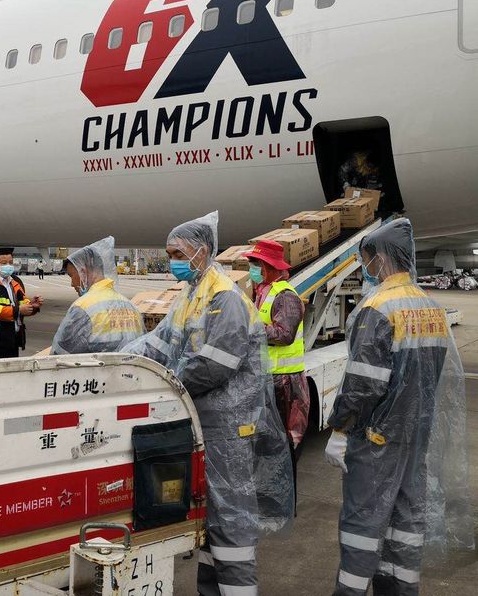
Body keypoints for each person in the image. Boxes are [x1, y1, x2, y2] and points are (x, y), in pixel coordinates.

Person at [122, 212, 293, 596]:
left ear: (201, 251)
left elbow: (213, 365)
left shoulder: (224, 297)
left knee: (231, 520)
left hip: (229, 428)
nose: (173, 262)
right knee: (210, 518)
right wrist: (122, 360)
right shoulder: (191, 295)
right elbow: (159, 342)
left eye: (177, 254)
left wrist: (168, 384)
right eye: (169, 254)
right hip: (205, 423)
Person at [324, 218, 473, 595]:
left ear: (382, 258)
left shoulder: (377, 308)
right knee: (405, 528)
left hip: (376, 442)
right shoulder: (432, 308)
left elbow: (362, 384)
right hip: (415, 438)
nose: (366, 267)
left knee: (362, 529)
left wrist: (341, 429)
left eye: (367, 259)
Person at [243, 238, 309, 509]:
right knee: (266, 445)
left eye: (255, 264)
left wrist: (249, 329)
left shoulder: (285, 296)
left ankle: (282, 505)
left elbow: (284, 334)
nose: (252, 269)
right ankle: (268, 501)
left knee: (283, 445)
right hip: (269, 379)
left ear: (269, 267)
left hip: (285, 384)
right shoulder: (263, 292)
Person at [51, 237, 143, 355]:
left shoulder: (83, 308)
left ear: (83, 272)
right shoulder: (130, 306)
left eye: (71, 276)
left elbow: (59, 355)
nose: (72, 284)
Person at [0, 248, 42, 358]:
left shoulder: (14, 283)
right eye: (4, 263)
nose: (8, 266)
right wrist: (18, 310)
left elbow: (24, 302)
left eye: (10, 263)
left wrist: (33, 306)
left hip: (13, 339)